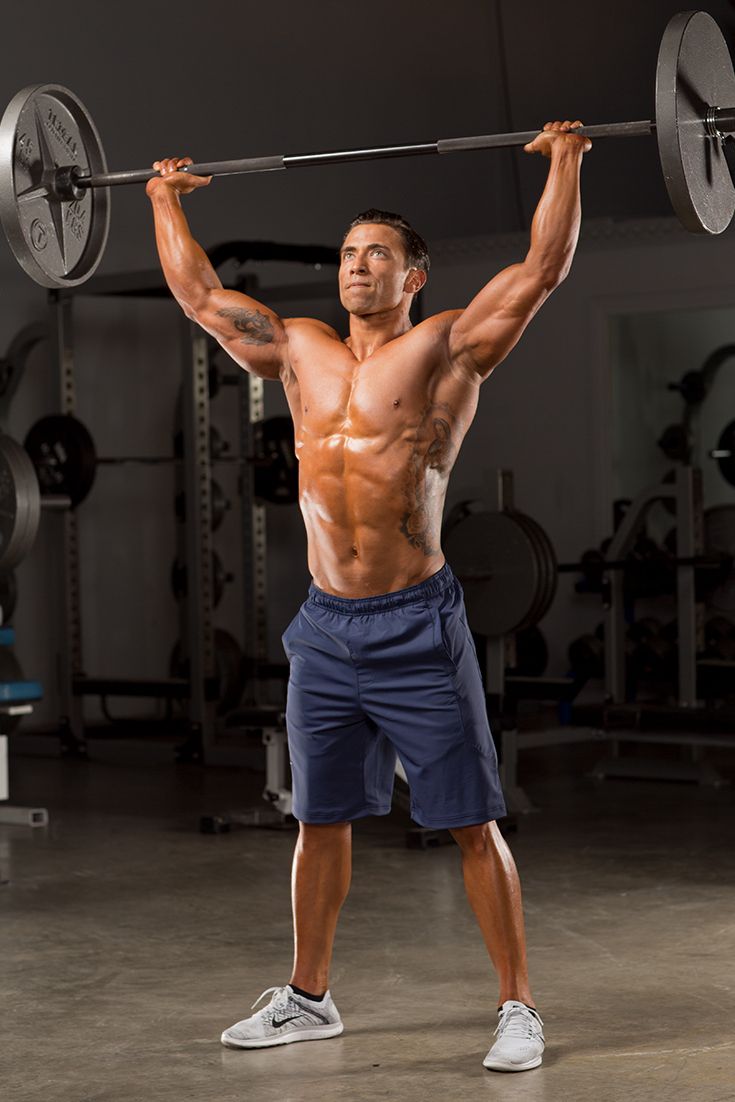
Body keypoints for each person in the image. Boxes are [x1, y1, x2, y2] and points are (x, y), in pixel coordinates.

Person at [146, 119, 591, 1072]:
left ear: (412, 275)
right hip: (326, 628)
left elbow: (542, 268)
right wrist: (161, 200)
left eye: (376, 255)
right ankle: (309, 997)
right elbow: (198, 299)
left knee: (471, 821)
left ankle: (517, 1007)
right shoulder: (298, 348)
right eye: (348, 254)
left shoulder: (446, 349)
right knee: (319, 820)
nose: (356, 266)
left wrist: (563, 160)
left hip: (416, 624)